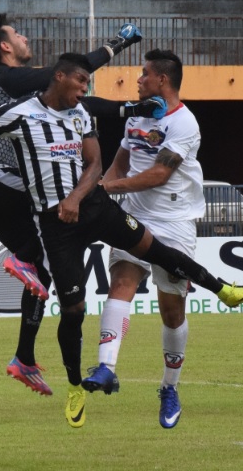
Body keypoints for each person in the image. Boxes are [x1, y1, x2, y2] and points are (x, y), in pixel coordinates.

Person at [0, 55, 243, 428]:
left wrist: (84, 195)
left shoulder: (157, 120)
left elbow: (108, 165)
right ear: (60, 77)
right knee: (76, 309)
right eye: (82, 82)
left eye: (144, 74)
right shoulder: (19, 113)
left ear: (162, 79)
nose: (86, 89)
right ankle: (84, 380)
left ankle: (214, 304)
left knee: (168, 289)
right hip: (60, 224)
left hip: (132, 211)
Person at [0, 13, 158, 397]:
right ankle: (22, 259)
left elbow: (85, 102)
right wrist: (117, 44)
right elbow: (76, 73)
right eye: (18, 34)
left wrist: (130, 109)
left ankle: (24, 357)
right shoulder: (6, 78)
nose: (25, 37)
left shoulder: (45, 98)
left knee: (46, 264)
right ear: (5, 46)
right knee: (43, 245)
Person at [80, 49, 201, 429]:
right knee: (121, 282)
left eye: (144, 74)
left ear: (162, 80)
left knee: (172, 310)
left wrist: (110, 187)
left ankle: (169, 387)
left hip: (174, 221)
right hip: (135, 215)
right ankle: (105, 367)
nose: (138, 79)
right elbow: (122, 158)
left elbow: (159, 175)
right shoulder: (140, 116)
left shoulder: (185, 123)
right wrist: (104, 186)